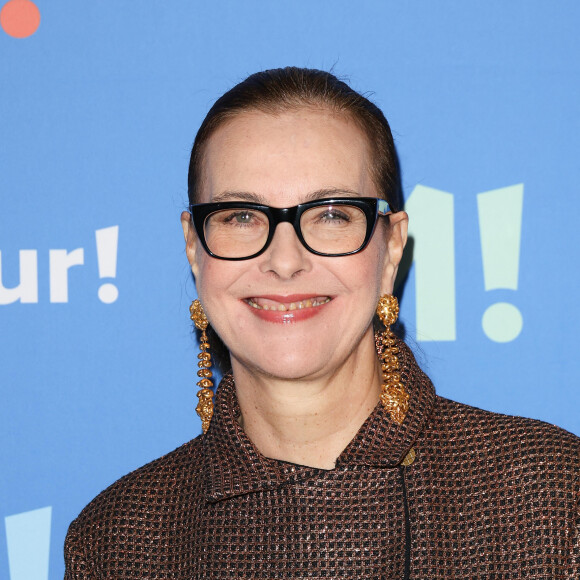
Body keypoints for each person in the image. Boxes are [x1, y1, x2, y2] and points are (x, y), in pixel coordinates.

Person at [64, 67, 579, 579]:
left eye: (331, 214)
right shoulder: (115, 539)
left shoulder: (553, 496)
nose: (284, 260)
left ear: (392, 247)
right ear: (195, 249)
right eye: (241, 216)